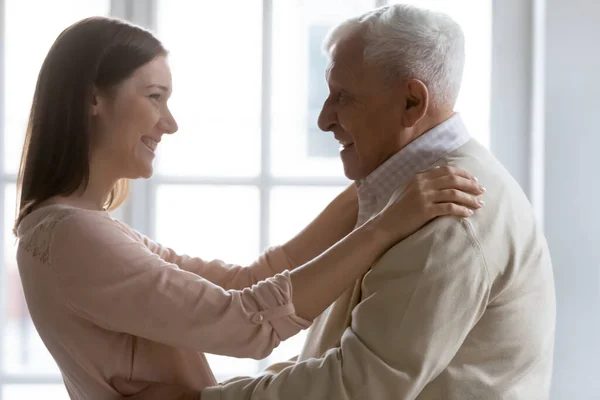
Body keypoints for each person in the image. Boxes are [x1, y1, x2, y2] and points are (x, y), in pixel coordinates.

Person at [13, 16, 484, 400]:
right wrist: (385, 225)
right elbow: (246, 323)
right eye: (154, 97)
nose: (170, 124)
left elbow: (249, 280)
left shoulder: (78, 229)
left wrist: (373, 187)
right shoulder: (72, 237)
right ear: (91, 98)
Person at [127, 4, 556, 400]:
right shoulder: (403, 194)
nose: (323, 119)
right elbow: (340, 356)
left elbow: (355, 387)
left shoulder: (451, 215)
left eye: (343, 97)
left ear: (412, 101)